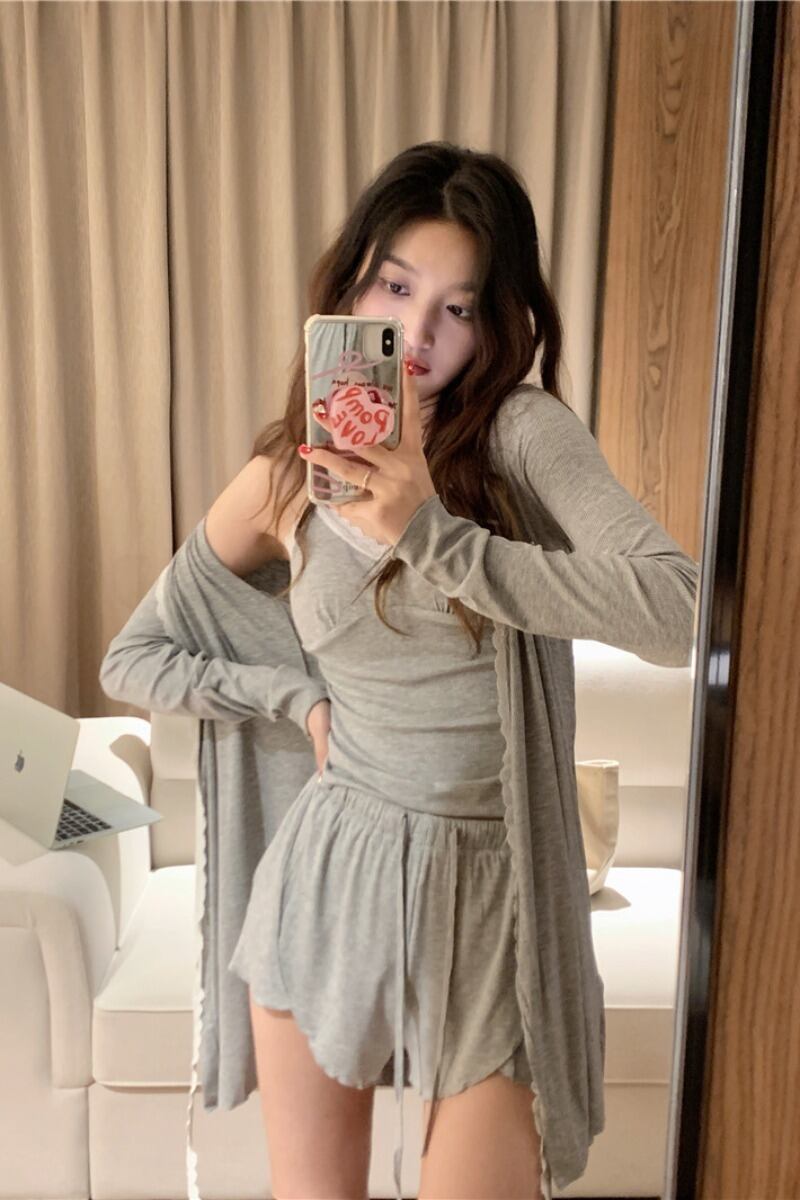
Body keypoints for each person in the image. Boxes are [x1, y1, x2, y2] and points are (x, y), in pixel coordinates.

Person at [101, 140, 698, 1200]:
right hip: (334, 873)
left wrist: (432, 534)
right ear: (350, 288)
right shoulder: (290, 476)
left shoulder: (520, 435)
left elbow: (677, 610)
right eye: (394, 287)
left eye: (457, 307)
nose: (419, 334)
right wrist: (295, 697)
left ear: (494, 321)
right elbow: (133, 657)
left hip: (495, 901)